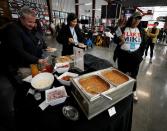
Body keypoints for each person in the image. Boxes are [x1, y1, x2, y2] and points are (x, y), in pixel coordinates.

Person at [2, 6, 54, 111]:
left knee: (41, 81)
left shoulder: (29, 27)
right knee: (29, 87)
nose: (32, 24)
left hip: (34, 61)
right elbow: (18, 51)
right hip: (22, 65)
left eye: (34, 22)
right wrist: (37, 60)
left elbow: (36, 39)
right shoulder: (12, 29)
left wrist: (44, 47)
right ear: (21, 18)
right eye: (30, 22)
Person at [113, 12, 146, 102]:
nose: (137, 21)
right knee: (121, 74)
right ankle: (121, 90)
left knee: (134, 75)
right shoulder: (123, 29)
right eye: (135, 18)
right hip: (123, 56)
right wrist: (120, 41)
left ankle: (134, 91)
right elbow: (115, 40)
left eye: (139, 19)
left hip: (135, 57)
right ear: (131, 19)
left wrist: (140, 55)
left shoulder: (141, 31)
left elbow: (144, 44)